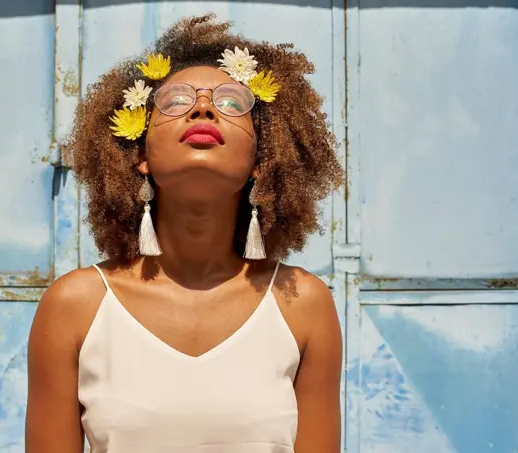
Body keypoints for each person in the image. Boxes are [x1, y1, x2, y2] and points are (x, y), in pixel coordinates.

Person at [26, 13, 344, 453]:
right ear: (139, 153)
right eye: (174, 100)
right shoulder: (75, 307)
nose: (203, 108)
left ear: (261, 160)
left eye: (233, 102)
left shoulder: (302, 305)